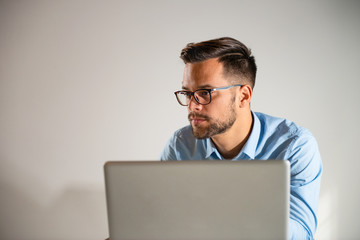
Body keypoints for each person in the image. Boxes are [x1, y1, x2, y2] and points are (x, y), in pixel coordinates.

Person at [160, 37, 322, 240]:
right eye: (187, 93)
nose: (193, 105)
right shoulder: (180, 145)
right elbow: (161, 218)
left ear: (243, 96)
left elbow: (302, 234)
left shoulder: (295, 146)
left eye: (204, 93)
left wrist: (241, 211)